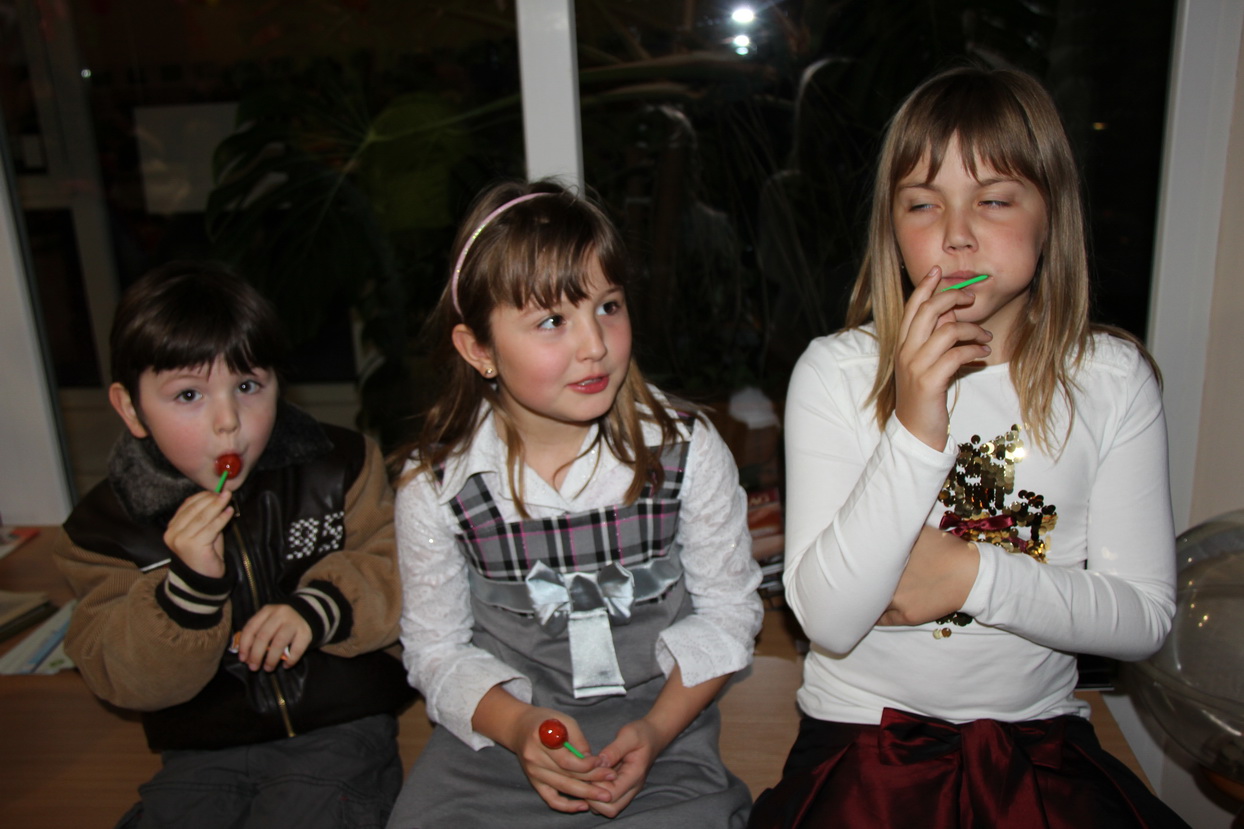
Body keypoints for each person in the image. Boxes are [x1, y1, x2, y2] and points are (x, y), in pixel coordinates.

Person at [748, 67, 1189, 828]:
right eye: (923, 203)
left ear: (1051, 215)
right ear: (892, 227)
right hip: (865, 740)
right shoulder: (836, 372)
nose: (956, 234)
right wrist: (916, 422)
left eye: (993, 200)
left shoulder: (1112, 380)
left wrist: (968, 574)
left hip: (1040, 743)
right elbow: (829, 620)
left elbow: (1143, 617)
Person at [385, 179, 763, 828]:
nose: (595, 345)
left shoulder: (686, 451)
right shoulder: (437, 488)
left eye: (608, 306)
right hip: (500, 744)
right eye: (552, 321)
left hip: (663, 729)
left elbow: (729, 613)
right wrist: (520, 727)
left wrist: (655, 731)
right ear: (479, 349)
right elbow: (436, 651)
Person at [55, 261, 415, 829]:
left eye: (248, 387)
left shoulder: (339, 465)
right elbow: (120, 675)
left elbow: (401, 564)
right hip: (200, 749)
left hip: (337, 730)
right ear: (131, 409)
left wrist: (319, 609)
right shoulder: (102, 528)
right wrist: (188, 591)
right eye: (188, 394)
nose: (228, 422)